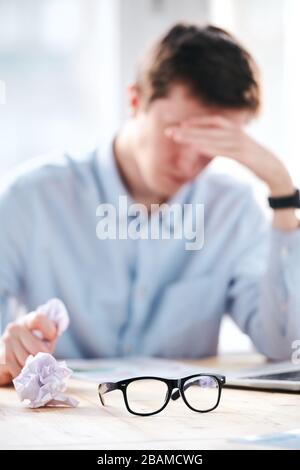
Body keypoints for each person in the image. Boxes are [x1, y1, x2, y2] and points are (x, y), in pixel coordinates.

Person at [0, 23, 299, 386]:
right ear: (135, 101)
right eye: (177, 133)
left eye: (212, 141)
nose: (190, 162)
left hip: (185, 426)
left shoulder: (231, 209)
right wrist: (9, 350)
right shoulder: (31, 198)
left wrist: (282, 191)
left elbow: (286, 345)